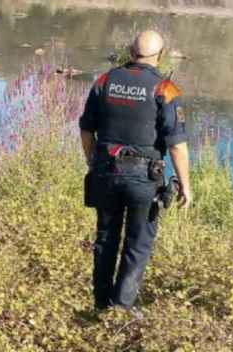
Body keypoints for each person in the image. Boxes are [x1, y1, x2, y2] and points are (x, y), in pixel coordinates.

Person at [78, 30, 192, 313]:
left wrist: (92, 162)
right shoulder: (166, 89)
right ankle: (122, 306)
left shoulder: (104, 80)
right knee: (137, 244)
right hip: (144, 179)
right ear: (160, 56)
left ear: (130, 51)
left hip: (105, 171)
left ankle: (100, 304)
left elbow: (85, 129)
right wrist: (186, 187)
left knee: (106, 238)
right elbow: (176, 145)